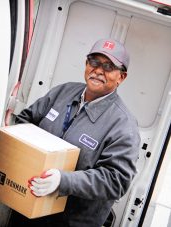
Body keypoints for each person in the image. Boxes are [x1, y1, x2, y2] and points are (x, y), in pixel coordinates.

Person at [8, 38, 140, 227]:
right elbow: (24, 121)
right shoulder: (63, 92)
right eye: (94, 62)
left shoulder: (124, 125)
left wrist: (64, 180)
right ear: (86, 64)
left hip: (71, 222)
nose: (98, 70)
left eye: (108, 66)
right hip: (27, 206)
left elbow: (116, 180)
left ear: (121, 77)